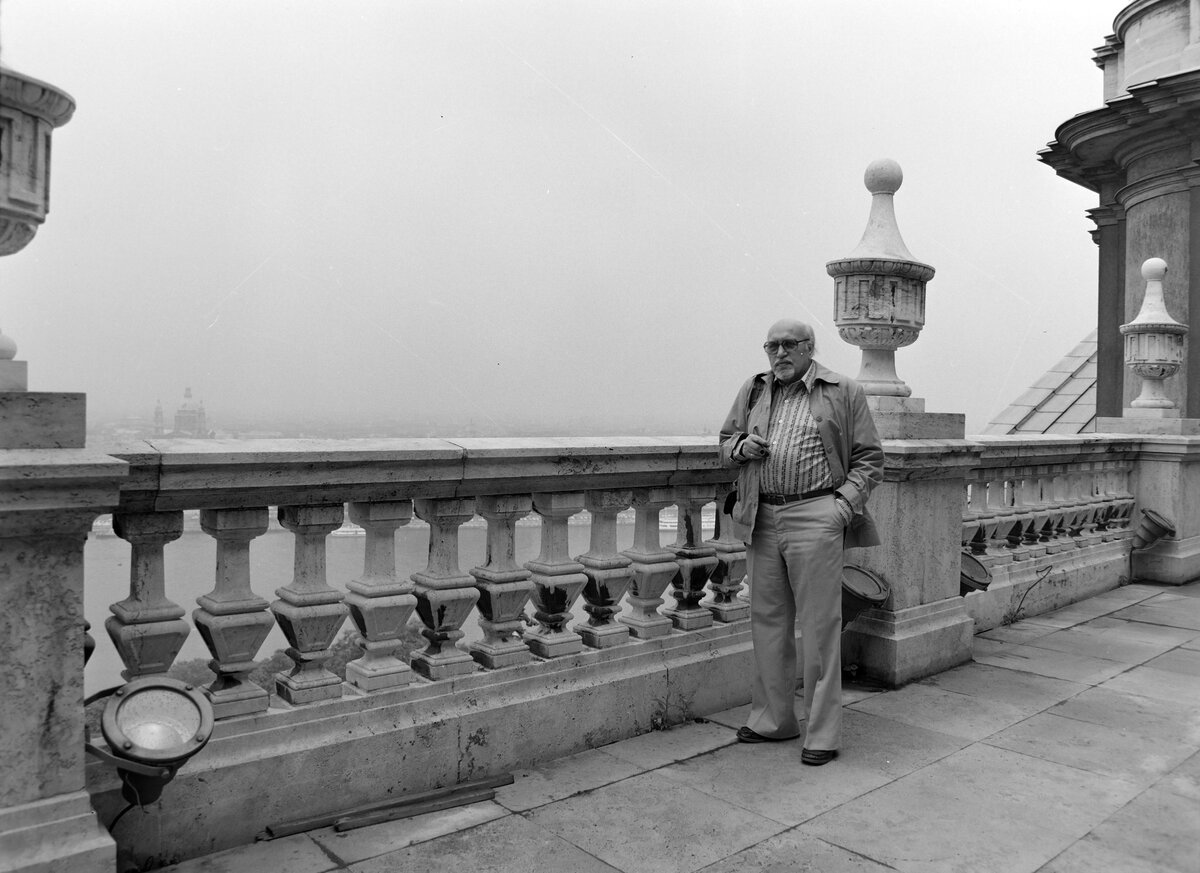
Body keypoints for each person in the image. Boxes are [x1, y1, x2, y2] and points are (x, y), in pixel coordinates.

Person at [719, 318, 883, 765]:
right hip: (762, 515)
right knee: (767, 621)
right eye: (771, 346)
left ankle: (822, 734)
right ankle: (774, 720)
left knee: (819, 628)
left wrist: (841, 508)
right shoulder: (754, 389)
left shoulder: (843, 390)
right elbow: (724, 440)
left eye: (788, 345)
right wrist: (740, 448)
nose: (779, 353)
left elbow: (870, 459)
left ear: (810, 347)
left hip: (816, 513)